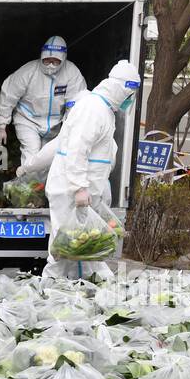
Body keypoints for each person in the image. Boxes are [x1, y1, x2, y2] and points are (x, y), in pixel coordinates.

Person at [42, 60, 140, 281]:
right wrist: (79, 188)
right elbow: (77, 151)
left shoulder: (103, 110)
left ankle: (84, 289)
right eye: (131, 93)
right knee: (65, 246)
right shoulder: (93, 109)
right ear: (122, 88)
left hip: (81, 192)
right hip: (70, 191)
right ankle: (49, 291)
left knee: (82, 246)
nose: (130, 99)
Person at [0, 36, 88, 164]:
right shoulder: (28, 71)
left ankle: (43, 184)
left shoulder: (71, 73)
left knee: (48, 159)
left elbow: (76, 102)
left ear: (64, 59)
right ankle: (27, 183)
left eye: (55, 61)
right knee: (32, 155)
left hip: (55, 125)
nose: (50, 65)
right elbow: (9, 95)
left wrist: (71, 127)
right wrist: (2, 125)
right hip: (28, 119)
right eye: (46, 60)